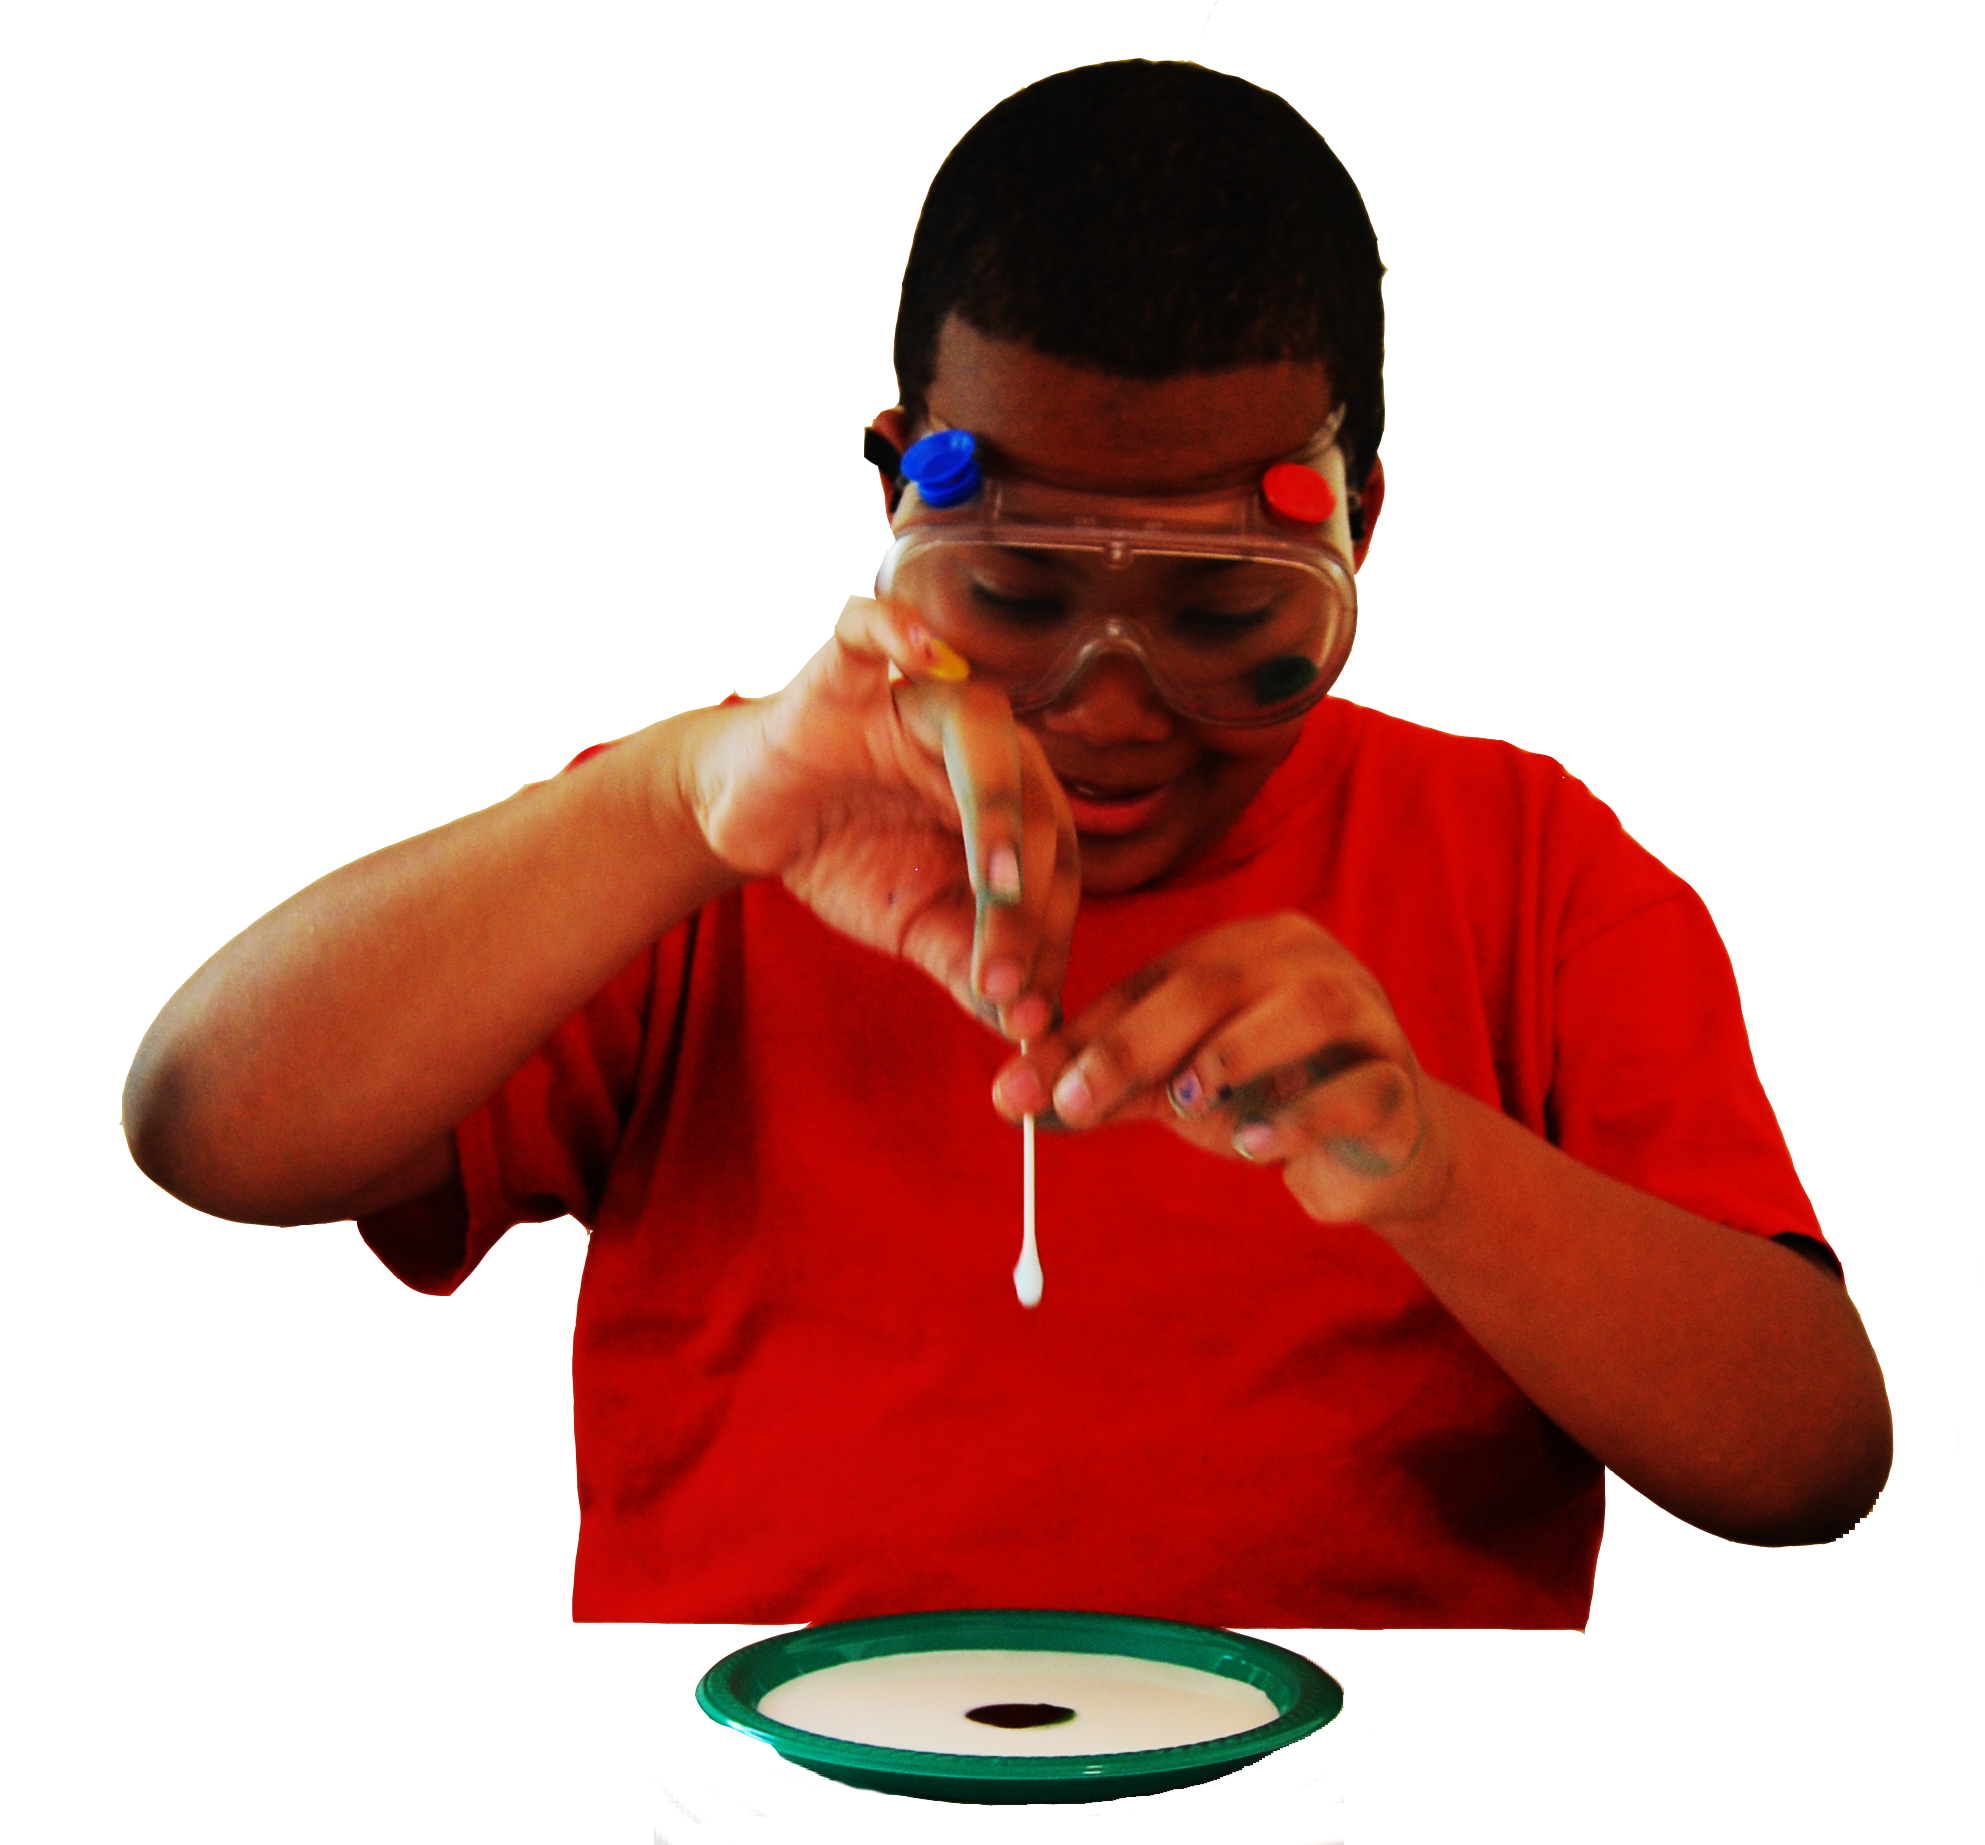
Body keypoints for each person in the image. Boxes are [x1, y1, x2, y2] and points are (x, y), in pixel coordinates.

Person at [121, 61, 1889, 1628]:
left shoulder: (1528, 869)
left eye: (1224, 612)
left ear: (1357, 523)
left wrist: (1432, 1161)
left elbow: (1807, 1456)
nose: (1110, 705)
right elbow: (201, 1120)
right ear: (898, 484)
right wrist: (661, 807)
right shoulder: (710, 841)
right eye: (1018, 593)